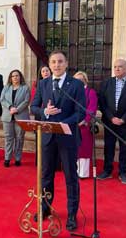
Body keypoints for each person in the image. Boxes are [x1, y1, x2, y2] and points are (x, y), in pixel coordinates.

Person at [30, 50, 85, 231]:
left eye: (60, 61)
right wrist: (45, 112)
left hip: (67, 138)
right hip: (47, 138)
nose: (56, 65)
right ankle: (45, 208)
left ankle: (71, 214)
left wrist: (62, 123)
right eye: (53, 62)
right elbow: (34, 106)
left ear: (66, 64)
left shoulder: (76, 85)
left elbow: (80, 112)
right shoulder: (43, 83)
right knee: (46, 176)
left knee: (71, 177)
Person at [98, 59, 126, 185]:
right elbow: (102, 103)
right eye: (115, 67)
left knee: (125, 147)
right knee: (109, 147)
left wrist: (123, 119)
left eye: (120, 67)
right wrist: (111, 118)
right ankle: (107, 170)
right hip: (109, 121)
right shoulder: (107, 83)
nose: (117, 69)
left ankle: (123, 172)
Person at [0, 69, 30, 167]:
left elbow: (26, 101)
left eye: (17, 75)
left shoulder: (25, 88)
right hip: (8, 116)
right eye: (13, 76)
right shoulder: (6, 87)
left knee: (19, 138)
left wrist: (17, 109)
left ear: (20, 77)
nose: (15, 77)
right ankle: (7, 158)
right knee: (8, 138)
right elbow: (2, 99)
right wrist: (10, 107)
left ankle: (17, 158)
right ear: (10, 78)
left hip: (20, 116)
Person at [73, 71, 98, 178]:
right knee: (73, 148)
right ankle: (74, 171)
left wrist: (85, 120)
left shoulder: (90, 92)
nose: (78, 81)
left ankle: (83, 173)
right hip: (73, 124)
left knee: (84, 148)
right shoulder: (72, 92)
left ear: (85, 80)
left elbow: (92, 108)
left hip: (84, 125)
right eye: (76, 80)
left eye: (80, 79)